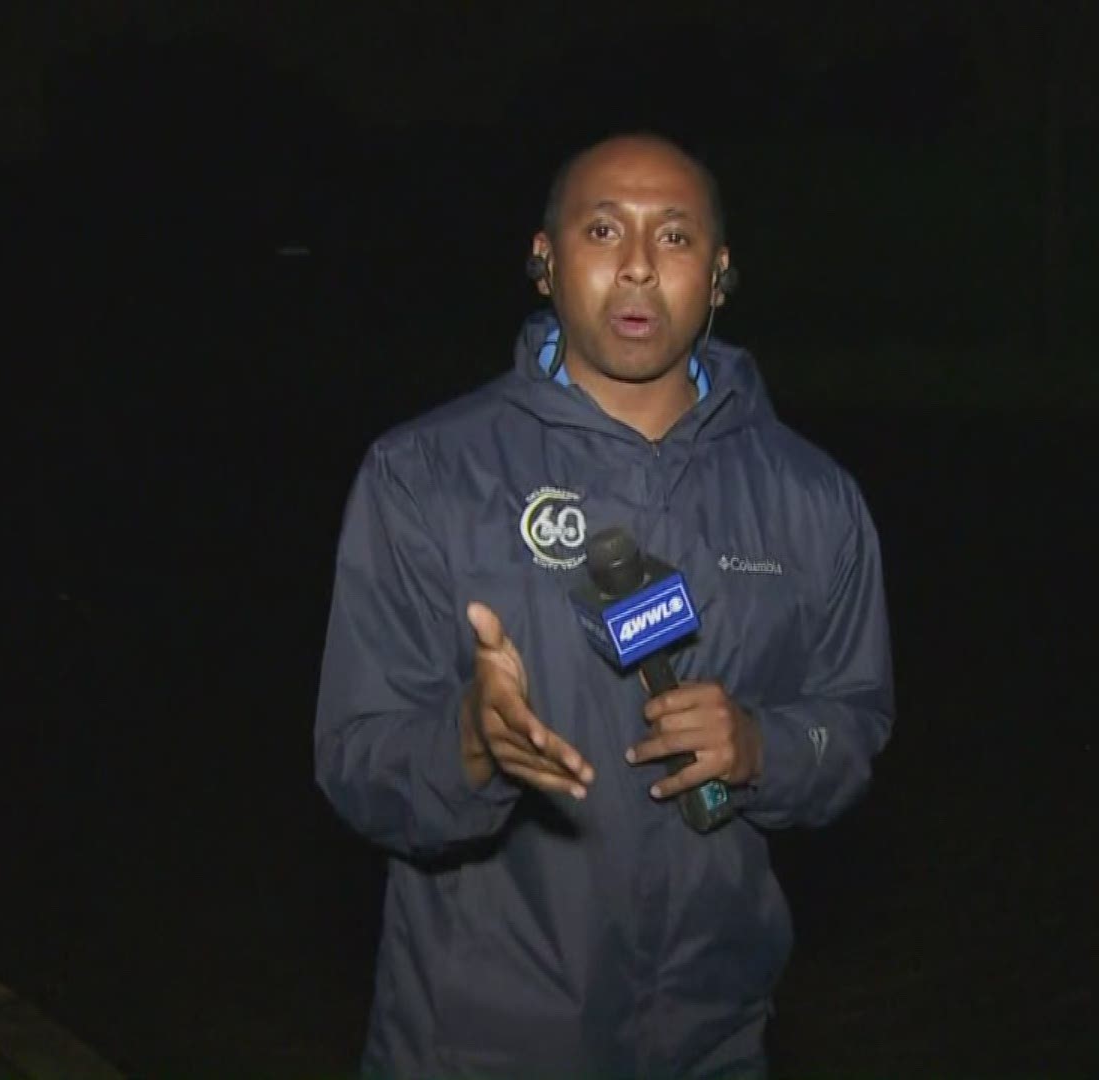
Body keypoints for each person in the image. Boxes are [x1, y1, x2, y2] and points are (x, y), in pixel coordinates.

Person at [314, 132, 895, 1079]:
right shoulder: (424, 476)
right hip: (476, 1049)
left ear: (719, 277)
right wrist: (469, 745)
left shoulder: (813, 498)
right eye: (601, 229)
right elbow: (354, 759)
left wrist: (764, 746)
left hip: (714, 1040)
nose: (635, 265)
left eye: (674, 238)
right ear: (543, 264)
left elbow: (854, 724)